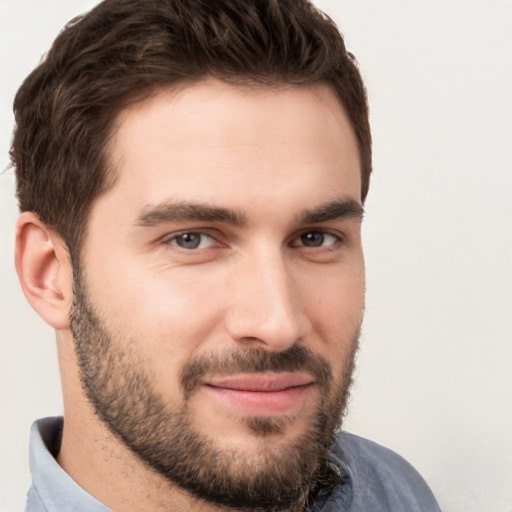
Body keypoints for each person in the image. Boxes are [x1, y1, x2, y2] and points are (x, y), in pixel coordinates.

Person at [11, 0, 442, 510]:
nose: (278, 322)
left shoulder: (390, 491)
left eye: (315, 238)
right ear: (50, 274)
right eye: (191, 239)